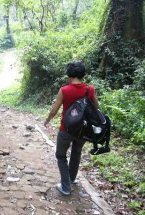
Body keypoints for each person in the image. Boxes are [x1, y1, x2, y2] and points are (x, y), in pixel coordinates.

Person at [44, 61, 99, 196]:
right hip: (82, 130)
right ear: (82, 74)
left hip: (66, 129)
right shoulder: (89, 90)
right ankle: (72, 179)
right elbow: (96, 108)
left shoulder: (64, 90)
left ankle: (66, 187)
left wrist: (48, 120)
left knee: (61, 156)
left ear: (69, 74)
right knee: (76, 153)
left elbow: (54, 110)